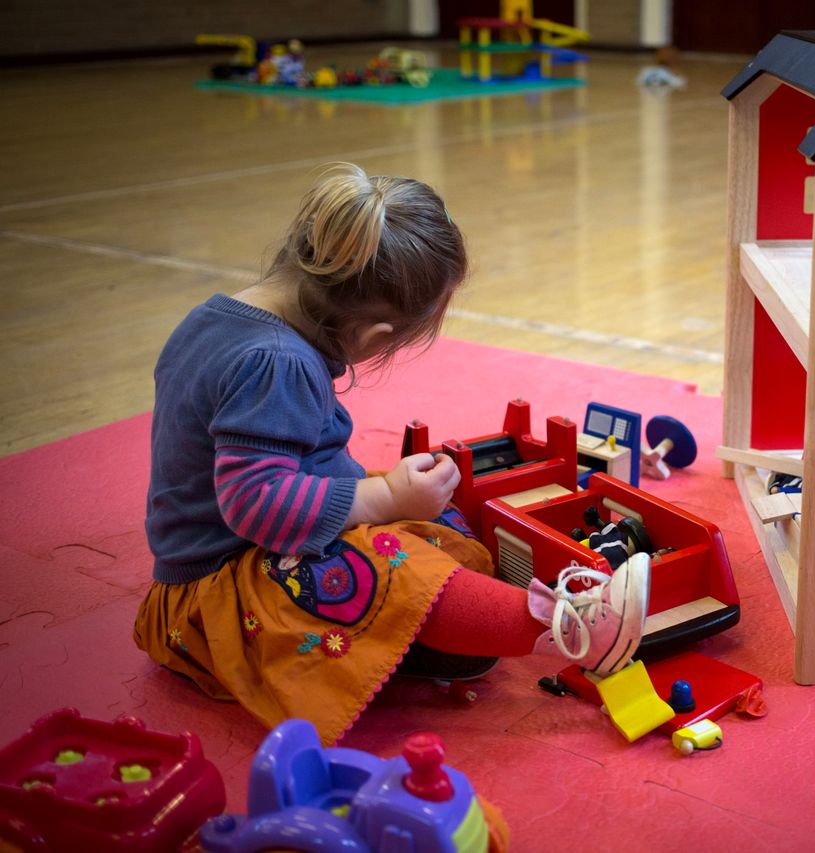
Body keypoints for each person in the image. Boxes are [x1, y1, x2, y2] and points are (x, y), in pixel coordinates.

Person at [133, 163, 650, 750]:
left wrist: (391, 498)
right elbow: (256, 507)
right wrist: (382, 498)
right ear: (375, 336)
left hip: (239, 560)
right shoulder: (276, 363)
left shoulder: (217, 316)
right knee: (391, 568)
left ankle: (424, 640)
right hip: (218, 600)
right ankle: (574, 630)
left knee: (420, 529)